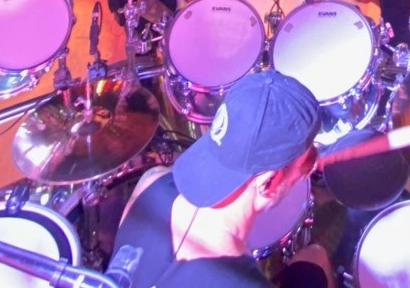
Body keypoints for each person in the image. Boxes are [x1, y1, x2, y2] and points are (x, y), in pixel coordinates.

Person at [112, 71, 332, 287]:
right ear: (268, 182)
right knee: (316, 256)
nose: (309, 169)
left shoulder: (151, 182)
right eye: (306, 163)